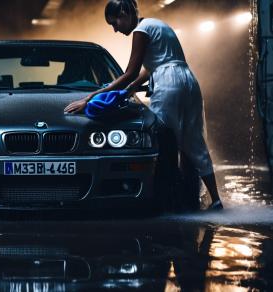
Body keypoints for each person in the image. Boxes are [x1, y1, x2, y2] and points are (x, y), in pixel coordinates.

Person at [64, 0, 223, 210]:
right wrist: (132, 88)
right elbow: (151, 68)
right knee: (194, 140)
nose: (115, 30)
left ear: (123, 13)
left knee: (162, 140)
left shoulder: (140, 30)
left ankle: (167, 200)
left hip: (168, 84)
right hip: (188, 80)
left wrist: (90, 97)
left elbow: (130, 71)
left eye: (114, 23)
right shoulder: (158, 24)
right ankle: (215, 199)